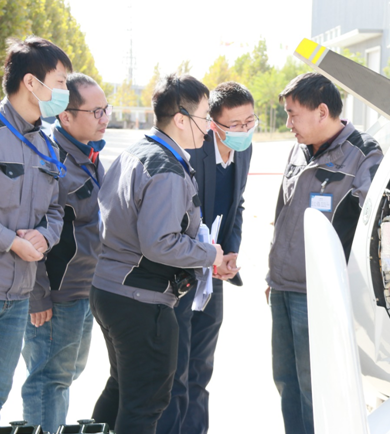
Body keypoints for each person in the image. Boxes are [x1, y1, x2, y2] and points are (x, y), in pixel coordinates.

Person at [90, 73, 223, 434]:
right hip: (140, 301)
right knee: (145, 404)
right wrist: (208, 254)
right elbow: (160, 243)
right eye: (205, 115)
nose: (209, 126)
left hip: (110, 290)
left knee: (121, 391)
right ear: (181, 119)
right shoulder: (165, 168)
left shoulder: (136, 152)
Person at [266, 72, 383, 434]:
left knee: (315, 385)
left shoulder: (363, 155)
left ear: (321, 112)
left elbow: (372, 228)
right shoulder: (299, 150)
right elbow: (282, 212)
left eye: (292, 114)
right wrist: (272, 277)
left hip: (318, 294)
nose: (288, 124)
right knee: (285, 380)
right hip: (284, 288)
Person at [0, 36, 71, 434]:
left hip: (16, 299)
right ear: (32, 82)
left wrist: (45, 237)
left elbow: (58, 210)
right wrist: (11, 241)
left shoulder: (47, 146)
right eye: (60, 82)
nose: (65, 91)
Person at [158, 82, 254, 434]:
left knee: (201, 368)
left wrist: (230, 251)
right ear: (212, 124)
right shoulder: (192, 152)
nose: (245, 131)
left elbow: (236, 204)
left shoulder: (244, 150)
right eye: (236, 125)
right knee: (177, 370)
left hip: (214, 273)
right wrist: (204, 254)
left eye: (250, 121)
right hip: (182, 270)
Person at [21, 73, 110, 433]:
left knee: (66, 374)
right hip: (55, 297)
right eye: (96, 112)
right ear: (66, 116)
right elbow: (33, 229)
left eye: (106, 110)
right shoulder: (52, 160)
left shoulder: (88, 155)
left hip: (83, 290)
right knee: (48, 381)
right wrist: (38, 295)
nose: (104, 118)